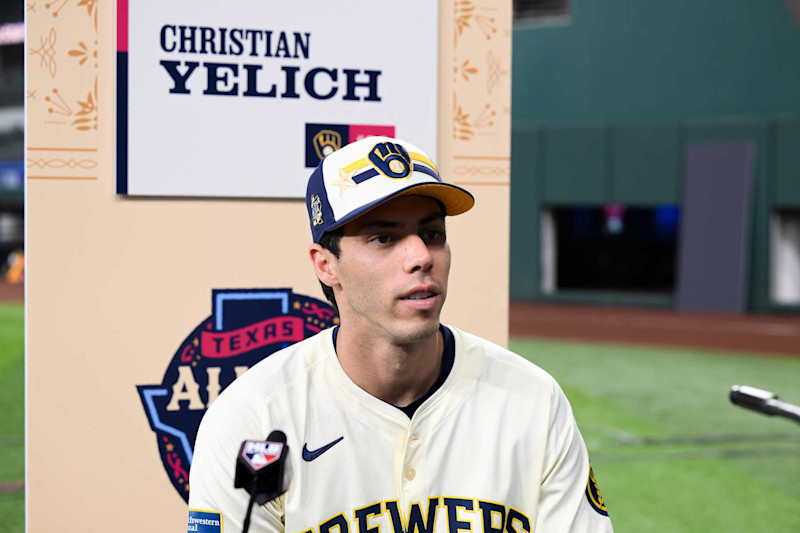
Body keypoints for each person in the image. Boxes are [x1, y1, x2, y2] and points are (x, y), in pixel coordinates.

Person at [188, 137, 613, 532]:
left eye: (433, 235)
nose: (421, 256)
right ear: (325, 264)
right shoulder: (253, 419)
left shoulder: (533, 400)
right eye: (384, 238)